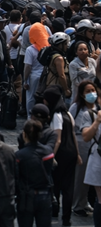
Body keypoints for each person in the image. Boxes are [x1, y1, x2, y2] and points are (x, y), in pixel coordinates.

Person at [42, 85, 81, 226]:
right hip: (71, 153)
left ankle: (56, 211)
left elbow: (57, 138)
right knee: (68, 186)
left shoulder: (57, 116)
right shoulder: (68, 113)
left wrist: (51, 155)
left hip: (61, 154)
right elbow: (73, 135)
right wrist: (77, 154)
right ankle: (66, 218)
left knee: (57, 185)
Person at [15, 119, 55, 227]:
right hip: (45, 196)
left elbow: (16, 177)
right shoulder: (48, 152)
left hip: (26, 198)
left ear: (24, 134)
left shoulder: (19, 156)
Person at [69, 79, 99, 218]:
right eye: (88, 91)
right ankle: (77, 204)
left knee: (92, 176)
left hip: (95, 144)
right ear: (81, 94)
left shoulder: (97, 108)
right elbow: (70, 126)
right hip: (80, 141)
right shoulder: (76, 108)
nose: (91, 94)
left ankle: (85, 201)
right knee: (80, 175)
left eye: (93, 91)